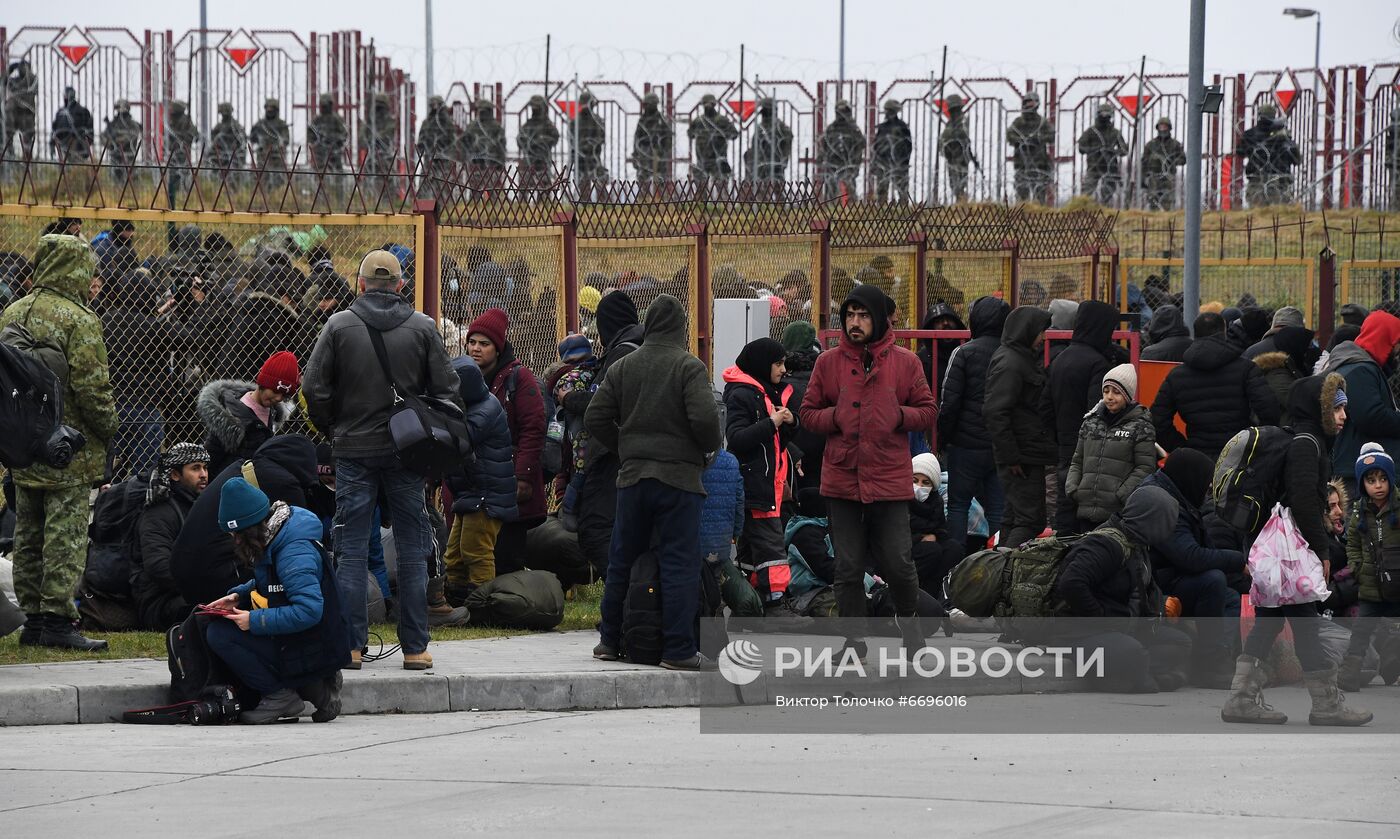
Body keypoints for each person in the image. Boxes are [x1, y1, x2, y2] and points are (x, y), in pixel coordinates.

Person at [302, 250, 460, 671]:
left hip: (354, 449)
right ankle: (415, 648)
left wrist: (333, 426)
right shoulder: (423, 327)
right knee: (411, 546)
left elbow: (313, 387)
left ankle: (352, 646)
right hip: (408, 451)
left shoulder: (338, 326)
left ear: (360, 284)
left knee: (350, 548)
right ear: (401, 285)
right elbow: (447, 389)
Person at [1223, 372, 1372, 726]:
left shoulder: (1304, 439)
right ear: (1319, 408)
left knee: (1272, 621)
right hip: (1289, 552)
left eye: (1344, 408)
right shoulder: (1307, 444)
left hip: (1279, 549)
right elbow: (1305, 503)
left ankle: (1242, 698)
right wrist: (1321, 550)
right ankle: (1326, 704)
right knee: (1304, 624)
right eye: (1336, 407)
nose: (1343, 415)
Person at [586, 294, 723, 670]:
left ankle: (609, 640)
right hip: (679, 481)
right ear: (681, 328)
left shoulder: (624, 366)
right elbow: (706, 422)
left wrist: (625, 446)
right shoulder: (688, 367)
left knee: (621, 559)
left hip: (633, 479)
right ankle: (678, 650)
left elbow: (595, 416)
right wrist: (704, 449)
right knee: (679, 562)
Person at [800, 284, 937, 657]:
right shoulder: (828, 363)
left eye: (863, 316)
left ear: (878, 319)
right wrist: (836, 417)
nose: (855, 323)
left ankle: (909, 623)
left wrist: (899, 415)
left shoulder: (906, 362)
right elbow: (807, 413)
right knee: (847, 567)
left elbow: (927, 410)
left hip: (889, 480)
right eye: (850, 315)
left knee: (899, 563)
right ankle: (854, 640)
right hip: (842, 479)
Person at [3, 234, 119, 650]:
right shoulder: (79, 319)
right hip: (68, 448)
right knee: (65, 535)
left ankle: (32, 619)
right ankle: (56, 619)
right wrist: (109, 427)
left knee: (28, 532)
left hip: (21, 444)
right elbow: (92, 389)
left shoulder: (13, 311)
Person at [201, 478, 348, 724]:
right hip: (306, 641)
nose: (235, 541)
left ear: (250, 529)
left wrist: (254, 620)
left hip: (314, 643)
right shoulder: (276, 534)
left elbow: (308, 611)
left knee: (220, 635)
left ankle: (283, 694)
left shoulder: (293, 551)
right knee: (218, 626)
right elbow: (276, 582)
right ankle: (318, 687)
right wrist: (240, 595)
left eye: (237, 534)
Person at [1054, 485, 1191, 692]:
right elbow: (1071, 583)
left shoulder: (1138, 545)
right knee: (1132, 652)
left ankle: (1131, 675)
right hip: (1079, 634)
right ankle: (1139, 676)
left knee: (1180, 642)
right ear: (1152, 520)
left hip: (1121, 629)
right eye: (1167, 523)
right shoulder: (1106, 544)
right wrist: (1099, 618)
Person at [171, 435, 321, 608]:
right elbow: (299, 533)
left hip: (189, 574)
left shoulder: (245, 467)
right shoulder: (284, 484)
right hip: (218, 575)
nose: (203, 474)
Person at [1142, 447, 1245, 689]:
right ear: (1191, 478)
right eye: (1206, 483)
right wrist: (1238, 561)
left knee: (1230, 597)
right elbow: (1189, 557)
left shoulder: (1177, 493)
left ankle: (1219, 657)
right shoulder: (1164, 504)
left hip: (1167, 574)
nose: (1208, 489)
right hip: (1155, 584)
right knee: (1213, 581)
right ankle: (1210, 663)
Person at [565, 291, 644, 583]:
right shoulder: (641, 348)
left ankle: (625, 596)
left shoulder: (622, 355)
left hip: (611, 455)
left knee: (595, 530)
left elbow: (603, 404)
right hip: (633, 454)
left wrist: (569, 398)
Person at [464, 307, 546, 574]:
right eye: (472, 342)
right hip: (473, 483)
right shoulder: (461, 378)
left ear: (498, 348)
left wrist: (523, 476)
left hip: (507, 481)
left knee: (506, 559)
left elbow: (533, 428)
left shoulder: (518, 378)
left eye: (484, 344)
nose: (476, 349)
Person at [723, 338, 799, 614]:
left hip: (767, 485)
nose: (783, 370)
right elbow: (737, 438)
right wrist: (771, 423)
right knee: (771, 548)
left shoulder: (764, 392)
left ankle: (750, 606)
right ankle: (776, 604)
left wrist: (790, 422)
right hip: (756, 484)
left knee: (751, 550)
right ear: (762, 364)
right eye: (778, 364)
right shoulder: (743, 395)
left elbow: (775, 442)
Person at [1151, 312, 1280, 462]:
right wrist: (1254, 443)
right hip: (1240, 453)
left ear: (1195, 333)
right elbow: (1269, 410)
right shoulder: (1246, 368)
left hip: (1198, 456)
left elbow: (1157, 420)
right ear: (1224, 332)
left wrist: (1182, 447)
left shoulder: (1176, 375)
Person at [442, 355, 517, 603]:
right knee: (454, 554)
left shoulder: (485, 409)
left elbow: (463, 439)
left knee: (476, 551)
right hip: (470, 491)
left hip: (486, 494)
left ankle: (482, 603)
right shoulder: (470, 406)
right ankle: (455, 599)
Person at [939, 295, 1010, 552]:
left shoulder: (963, 353)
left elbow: (949, 403)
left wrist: (944, 439)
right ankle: (998, 560)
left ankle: (956, 562)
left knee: (958, 505)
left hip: (965, 445)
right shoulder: (1011, 355)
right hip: (1000, 446)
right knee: (998, 508)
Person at [1044, 300, 1122, 533]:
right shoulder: (1098, 363)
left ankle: (1062, 549)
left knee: (1065, 508)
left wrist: (1058, 437)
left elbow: (1045, 407)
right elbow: (1097, 410)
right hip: (1089, 451)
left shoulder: (1060, 359)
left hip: (1064, 445)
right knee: (1089, 514)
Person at [985, 305, 1055, 548]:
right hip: (1021, 456)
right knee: (1030, 520)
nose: (1043, 337)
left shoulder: (1019, 358)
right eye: (1040, 331)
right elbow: (996, 411)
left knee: (1014, 516)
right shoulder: (1011, 363)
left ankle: (999, 564)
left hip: (1024, 452)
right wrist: (1011, 456)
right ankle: (1004, 563)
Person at [1065, 364, 1158, 533]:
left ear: (1127, 395)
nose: (1109, 397)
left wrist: (1121, 495)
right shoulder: (1090, 422)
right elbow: (1077, 460)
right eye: (1106, 391)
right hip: (1085, 509)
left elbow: (1145, 467)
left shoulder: (1140, 426)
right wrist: (1073, 488)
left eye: (1116, 392)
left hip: (1116, 514)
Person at [1339, 442, 1400, 691]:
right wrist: (1356, 565)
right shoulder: (1358, 512)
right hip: (1370, 581)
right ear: (1362, 483)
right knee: (1361, 631)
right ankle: (1349, 674)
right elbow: (1352, 542)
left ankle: (1393, 665)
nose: (1378, 485)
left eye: (1383, 479)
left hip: (1397, 578)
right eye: (1371, 480)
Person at [130, 443, 209, 630]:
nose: (203, 474)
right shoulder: (157, 513)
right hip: (160, 602)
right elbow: (158, 567)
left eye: (205, 467)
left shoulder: (201, 506)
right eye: (195, 468)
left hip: (192, 590)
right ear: (174, 474)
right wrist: (205, 583)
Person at [1323, 310, 1400, 478]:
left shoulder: (1361, 366)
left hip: (1364, 465)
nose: (1397, 349)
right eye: (1396, 342)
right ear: (1384, 339)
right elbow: (1371, 416)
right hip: (1361, 468)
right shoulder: (1360, 369)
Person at [198, 351, 299, 478]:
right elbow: (211, 458)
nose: (278, 398)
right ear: (263, 383)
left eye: (284, 395)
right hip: (228, 483)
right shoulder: (231, 415)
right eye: (275, 391)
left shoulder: (273, 413)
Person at [909, 453, 961, 598]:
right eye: (914, 480)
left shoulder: (935, 502)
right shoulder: (899, 501)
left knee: (954, 548)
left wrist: (934, 536)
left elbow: (942, 529)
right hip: (903, 549)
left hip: (928, 546)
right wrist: (920, 538)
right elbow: (891, 535)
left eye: (925, 482)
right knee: (932, 550)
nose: (919, 486)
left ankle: (932, 595)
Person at [1252, 325, 1316, 424]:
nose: (1311, 349)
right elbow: (1298, 403)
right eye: (1308, 345)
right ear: (1297, 346)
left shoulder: (1291, 368)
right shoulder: (1278, 374)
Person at [1007, 92, 1054, 202]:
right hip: (1022, 162)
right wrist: (1020, 140)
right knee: (1021, 196)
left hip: (1039, 163)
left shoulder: (1042, 122)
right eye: (1027, 102)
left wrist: (1038, 139)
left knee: (1039, 196)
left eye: (1031, 103)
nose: (1029, 105)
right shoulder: (1019, 122)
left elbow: (1051, 135)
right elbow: (1009, 135)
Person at [1078, 103, 1128, 204]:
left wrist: (1112, 151)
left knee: (1108, 193)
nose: (1104, 116)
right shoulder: (1091, 131)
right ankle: (1081, 208)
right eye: (1102, 113)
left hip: (1110, 166)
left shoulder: (1115, 133)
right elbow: (1081, 147)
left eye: (1107, 114)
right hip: (1094, 165)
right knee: (1086, 191)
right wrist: (1095, 150)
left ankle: (1103, 208)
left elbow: (1124, 150)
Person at [688, 94, 738, 193]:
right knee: (701, 190)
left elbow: (734, 134)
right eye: (705, 104)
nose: (707, 106)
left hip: (718, 159)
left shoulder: (722, 120)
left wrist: (721, 135)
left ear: (714, 104)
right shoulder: (698, 121)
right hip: (702, 160)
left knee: (722, 190)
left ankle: (722, 203)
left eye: (709, 104)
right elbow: (690, 134)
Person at [817, 99, 865, 202]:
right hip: (833, 163)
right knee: (831, 189)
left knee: (849, 189)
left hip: (848, 163)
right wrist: (821, 157)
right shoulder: (831, 128)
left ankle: (852, 209)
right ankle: (831, 208)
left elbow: (860, 147)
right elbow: (824, 145)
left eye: (844, 111)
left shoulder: (854, 129)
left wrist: (855, 164)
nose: (842, 114)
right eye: (840, 112)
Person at [745, 97, 793, 192]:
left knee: (777, 189)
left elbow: (787, 143)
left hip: (775, 163)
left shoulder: (780, 127)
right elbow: (755, 146)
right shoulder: (761, 127)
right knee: (761, 192)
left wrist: (783, 159)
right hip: (761, 164)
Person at [872, 99, 913, 202]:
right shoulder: (883, 128)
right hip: (883, 162)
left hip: (898, 162)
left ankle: (903, 210)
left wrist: (903, 162)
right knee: (882, 191)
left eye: (889, 110)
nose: (887, 113)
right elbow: (876, 146)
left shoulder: (902, 127)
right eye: (887, 110)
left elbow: (908, 146)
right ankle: (882, 209)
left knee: (902, 191)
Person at [1141, 117, 1186, 210]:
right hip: (1153, 176)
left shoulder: (1175, 144)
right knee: (1153, 200)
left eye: (1165, 127)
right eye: (1161, 127)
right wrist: (1143, 179)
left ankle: (1166, 216)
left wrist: (1171, 161)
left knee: (1167, 201)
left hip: (1168, 176)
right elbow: (1144, 162)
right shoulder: (1151, 145)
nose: (1162, 129)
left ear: (1169, 128)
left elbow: (1183, 159)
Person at [633, 92, 673, 195]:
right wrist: (636, 154)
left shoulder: (662, 120)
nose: (645, 107)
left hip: (659, 154)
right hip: (645, 153)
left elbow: (668, 137)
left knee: (662, 179)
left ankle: (663, 200)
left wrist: (663, 150)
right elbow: (637, 137)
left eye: (647, 104)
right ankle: (644, 201)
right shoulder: (643, 120)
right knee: (643, 178)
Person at [461, 97, 506, 189]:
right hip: (484, 162)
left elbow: (501, 145)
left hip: (484, 162)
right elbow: (502, 145)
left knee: (479, 190)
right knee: (487, 190)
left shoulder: (474, 126)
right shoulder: (494, 126)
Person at [518, 95, 561, 189]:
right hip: (529, 159)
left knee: (544, 186)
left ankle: (543, 198)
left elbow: (555, 138)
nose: (535, 110)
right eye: (534, 108)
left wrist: (543, 141)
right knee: (524, 184)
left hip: (543, 159)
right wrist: (528, 142)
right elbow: (519, 140)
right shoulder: (528, 125)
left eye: (537, 108)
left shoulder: (548, 125)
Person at [572, 90, 608, 201]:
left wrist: (591, 145)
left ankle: (604, 207)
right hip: (580, 159)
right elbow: (572, 139)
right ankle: (586, 208)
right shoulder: (575, 121)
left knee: (600, 185)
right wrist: (581, 147)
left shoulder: (597, 121)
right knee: (583, 187)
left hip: (594, 157)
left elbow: (602, 137)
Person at [939, 94, 975, 201]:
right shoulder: (951, 123)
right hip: (952, 156)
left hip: (960, 156)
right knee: (954, 184)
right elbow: (944, 138)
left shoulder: (962, 121)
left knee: (960, 184)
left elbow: (962, 135)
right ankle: (960, 202)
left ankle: (961, 203)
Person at [249, 98, 290, 185]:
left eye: (272, 109)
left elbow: (286, 139)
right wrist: (259, 139)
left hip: (277, 155)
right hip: (263, 155)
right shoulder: (260, 124)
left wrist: (279, 144)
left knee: (278, 178)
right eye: (268, 108)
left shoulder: (281, 124)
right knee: (262, 177)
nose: (269, 111)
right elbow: (252, 137)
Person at [3, 59, 38, 161]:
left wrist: (27, 70)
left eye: (24, 67)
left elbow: (33, 85)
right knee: (9, 137)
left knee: (27, 141)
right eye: (20, 67)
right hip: (15, 114)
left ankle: (27, 162)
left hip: (27, 115)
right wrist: (10, 69)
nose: (21, 69)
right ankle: (11, 157)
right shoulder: (15, 80)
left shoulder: (31, 80)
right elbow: (3, 82)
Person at [101, 99, 141, 182]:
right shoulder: (113, 124)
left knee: (129, 182)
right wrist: (110, 143)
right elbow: (103, 136)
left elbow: (130, 137)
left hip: (128, 157)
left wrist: (118, 141)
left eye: (119, 108)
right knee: (114, 182)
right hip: (115, 157)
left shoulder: (132, 124)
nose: (118, 112)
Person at [50, 87, 93, 163]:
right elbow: (54, 129)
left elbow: (89, 131)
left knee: (75, 165)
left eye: (66, 95)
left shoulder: (82, 111)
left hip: (76, 144)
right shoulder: (60, 112)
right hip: (61, 144)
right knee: (64, 166)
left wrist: (86, 143)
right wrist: (52, 144)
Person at [307, 93, 348, 173]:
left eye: (326, 105)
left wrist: (335, 139)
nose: (325, 108)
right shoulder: (317, 120)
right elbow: (310, 134)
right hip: (320, 151)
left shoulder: (337, 119)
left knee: (337, 172)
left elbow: (344, 134)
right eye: (323, 105)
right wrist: (317, 141)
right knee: (319, 171)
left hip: (334, 150)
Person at [209, 102, 247, 173]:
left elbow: (242, 140)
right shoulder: (219, 126)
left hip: (232, 156)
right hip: (220, 156)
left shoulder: (235, 125)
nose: (223, 115)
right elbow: (213, 139)